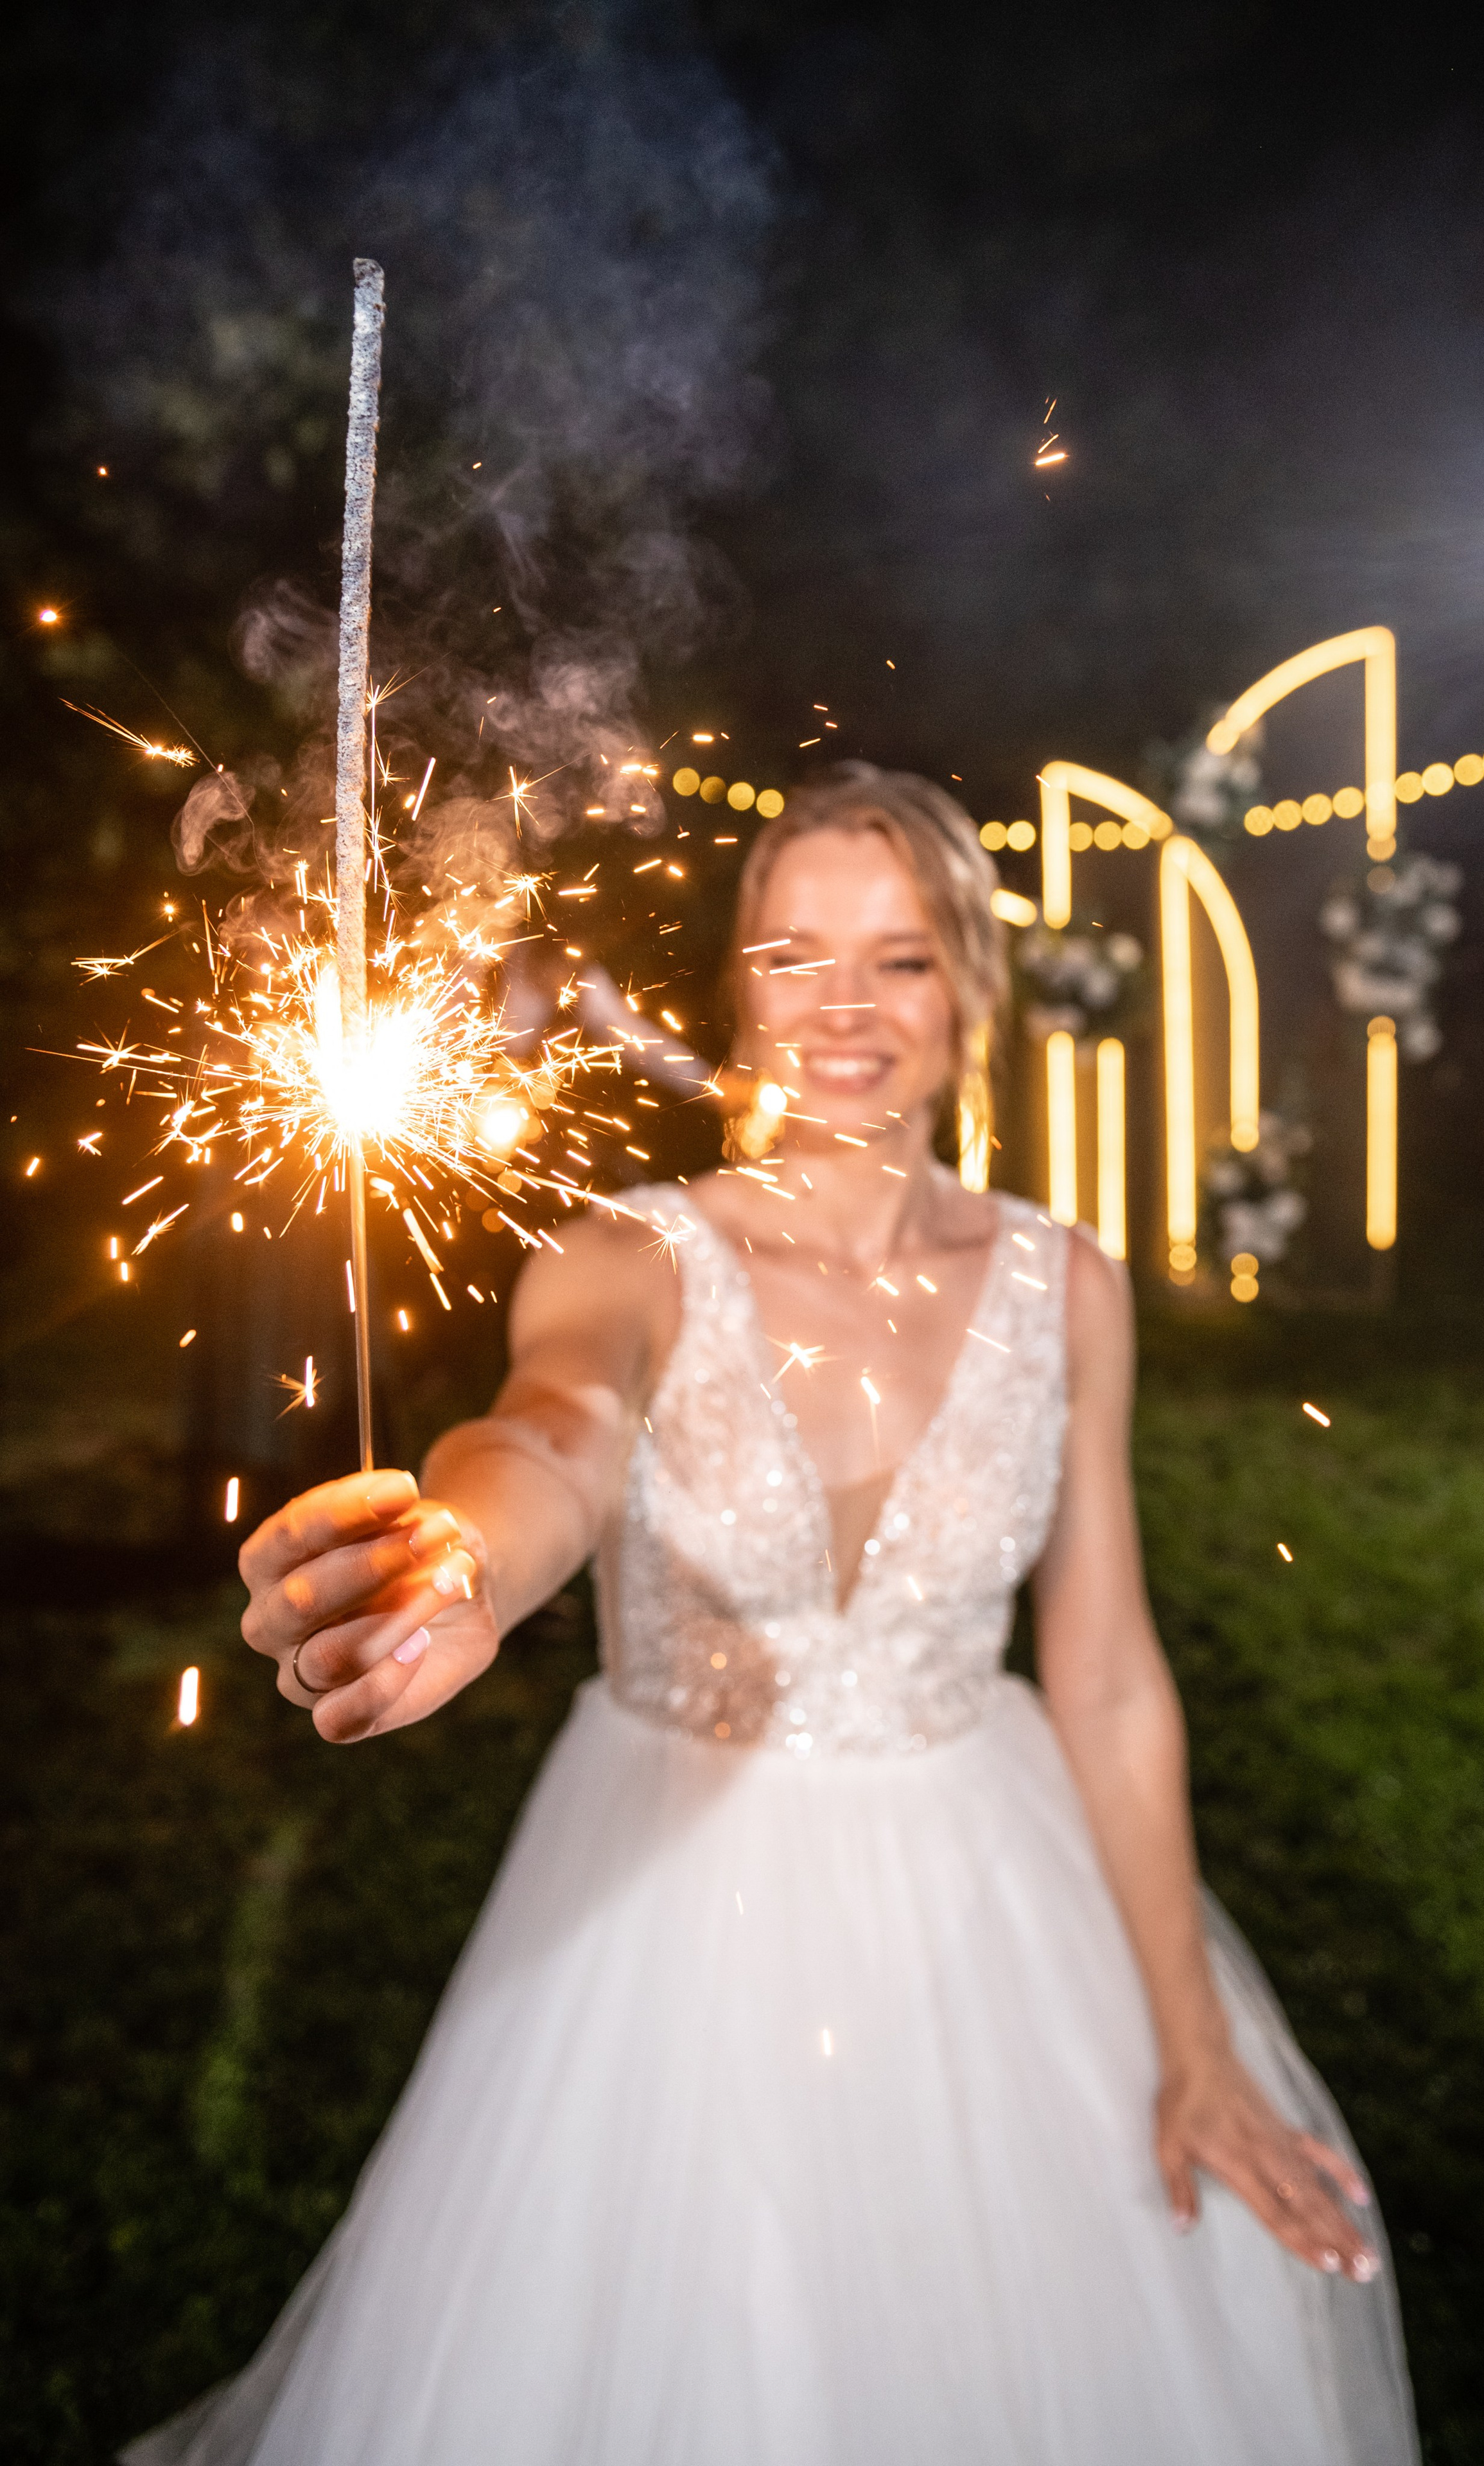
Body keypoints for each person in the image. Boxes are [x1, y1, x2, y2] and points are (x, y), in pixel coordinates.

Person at [128, 768, 1419, 2465]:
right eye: (795, 955)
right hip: (673, 1916)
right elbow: (549, 1435)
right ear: (739, 985)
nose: (845, 1010)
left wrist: (1190, 2041)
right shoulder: (631, 1259)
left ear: (975, 986)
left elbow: (1104, 1679)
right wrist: (469, 1560)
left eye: (900, 958)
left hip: (993, 1898)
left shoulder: (1069, 1285)